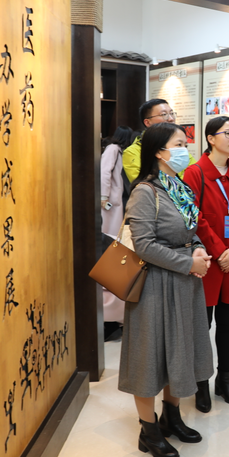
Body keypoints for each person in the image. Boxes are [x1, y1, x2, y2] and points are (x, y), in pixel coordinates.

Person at [118, 122, 213, 457]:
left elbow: (191, 230)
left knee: (180, 351)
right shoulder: (145, 191)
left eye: (185, 143)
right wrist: (188, 263)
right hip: (155, 286)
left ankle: (172, 417)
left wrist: (199, 249)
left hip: (184, 283)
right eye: (179, 144)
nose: (185, 150)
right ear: (159, 151)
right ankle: (149, 431)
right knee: (150, 357)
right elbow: (144, 245)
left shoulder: (179, 186)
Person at [183, 116, 229, 410]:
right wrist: (220, 251)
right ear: (211, 138)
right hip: (207, 260)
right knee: (203, 325)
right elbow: (194, 218)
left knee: (228, 323)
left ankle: (225, 380)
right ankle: (201, 383)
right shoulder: (195, 173)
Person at [100, 125, 135, 340]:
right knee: (112, 253)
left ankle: (116, 316)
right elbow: (104, 172)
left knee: (117, 255)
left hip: (118, 206)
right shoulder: (113, 149)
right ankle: (111, 317)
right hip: (110, 207)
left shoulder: (120, 152)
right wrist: (103, 197)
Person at [124, 99, 197, 182]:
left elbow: (195, 174)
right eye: (164, 114)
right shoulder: (132, 152)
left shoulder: (177, 147)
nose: (171, 119)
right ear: (147, 122)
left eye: (171, 113)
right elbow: (143, 183)